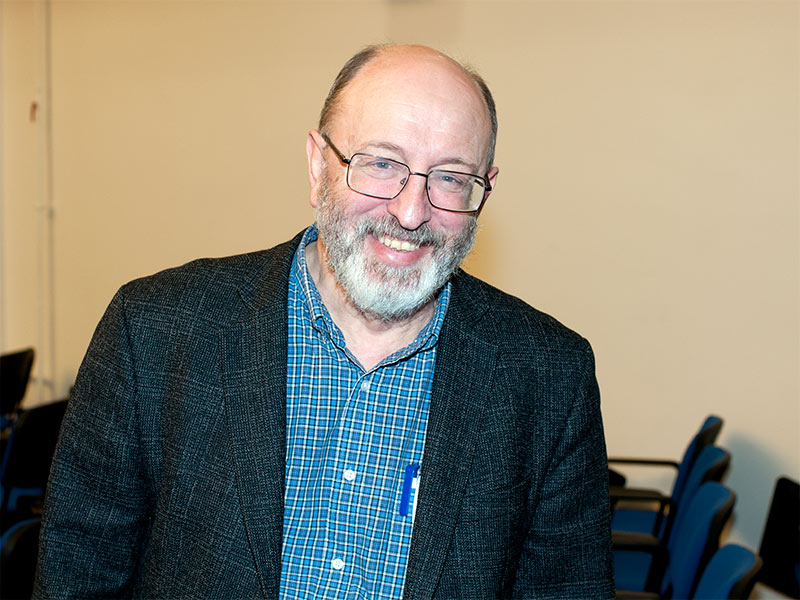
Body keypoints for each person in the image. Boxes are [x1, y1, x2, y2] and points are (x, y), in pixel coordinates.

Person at [34, 44, 614, 599]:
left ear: (484, 192)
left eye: (451, 177)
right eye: (381, 163)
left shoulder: (549, 376)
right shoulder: (155, 330)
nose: (411, 212)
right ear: (317, 166)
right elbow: (76, 579)